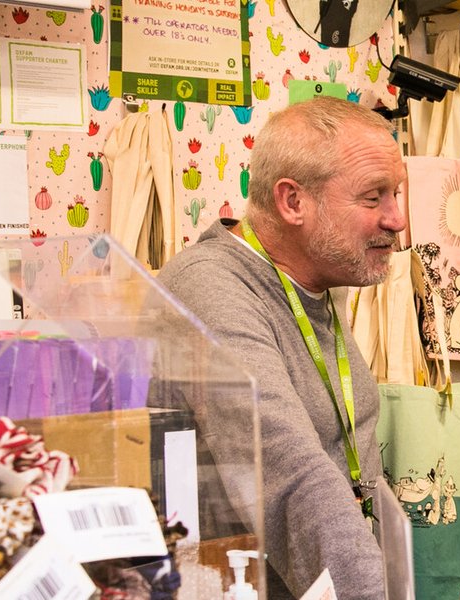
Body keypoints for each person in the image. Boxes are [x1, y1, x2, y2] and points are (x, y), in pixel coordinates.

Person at [158, 96, 407, 600]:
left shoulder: (314, 281)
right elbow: (288, 469)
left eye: (396, 193)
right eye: (373, 196)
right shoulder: (210, 288)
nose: (397, 219)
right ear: (293, 201)